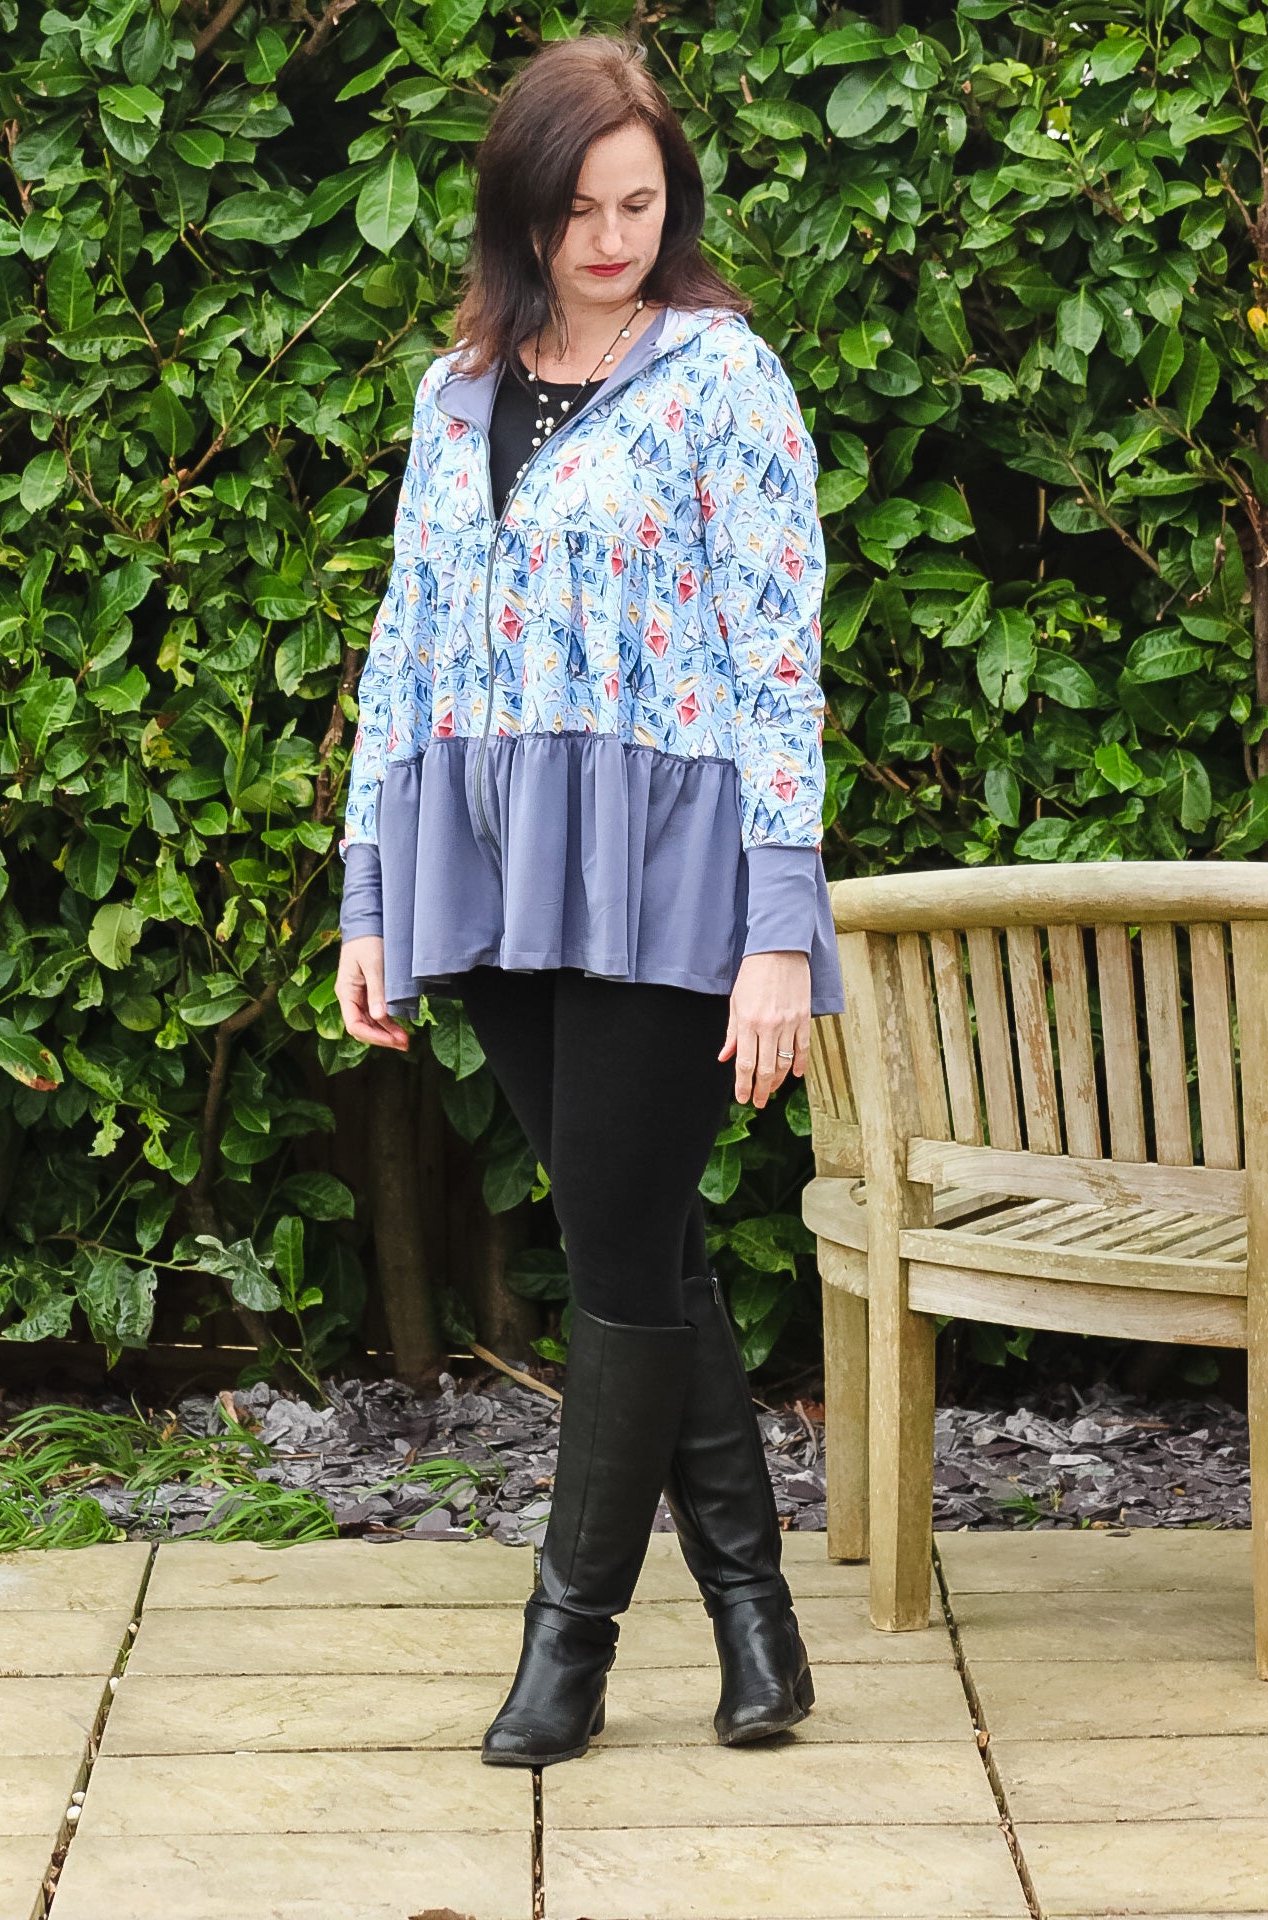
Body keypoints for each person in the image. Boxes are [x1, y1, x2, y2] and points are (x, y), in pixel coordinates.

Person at [333, 32, 844, 1769]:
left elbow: (779, 663)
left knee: (618, 1252)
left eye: (641, 204)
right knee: (646, 1240)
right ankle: (759, 1623)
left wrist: (777, 930)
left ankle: (570, 1645)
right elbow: (405, 648)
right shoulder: (455, 393)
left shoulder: (722, 378)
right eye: (581, 210)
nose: (615, 238)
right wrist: (371, 893)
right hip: (490, 863)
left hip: (667, 870)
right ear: (521, 213)